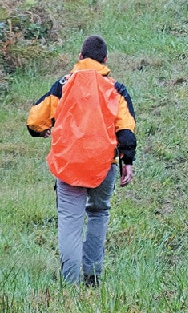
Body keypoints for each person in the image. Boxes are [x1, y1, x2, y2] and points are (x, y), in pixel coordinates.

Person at [27, 35, 137, 286]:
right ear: (105, 60)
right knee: (98, 213)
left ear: (80, 57)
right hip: (103, 165)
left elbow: (35, 119)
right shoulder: (116, 89)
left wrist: (43, 129)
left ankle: (69, 283)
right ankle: (93, 277)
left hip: (68, 166)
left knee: (70, 220)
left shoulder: (63, 84)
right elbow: (126, 129)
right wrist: (127, 160)